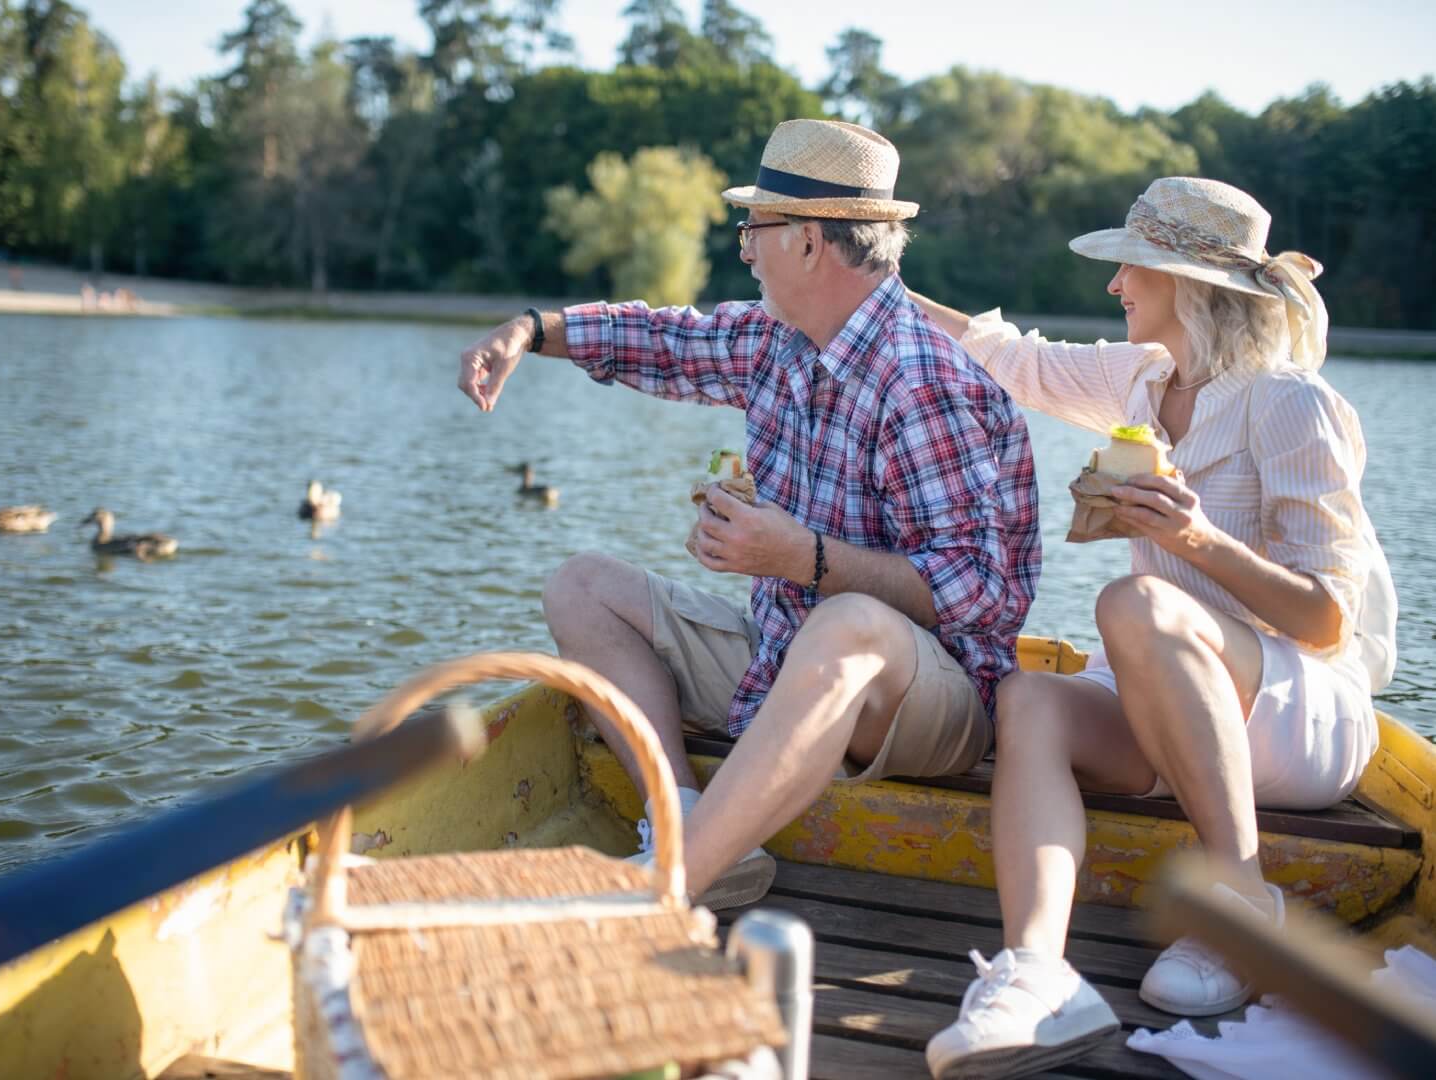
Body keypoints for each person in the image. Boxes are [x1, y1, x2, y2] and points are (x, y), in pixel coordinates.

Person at [456, 118, 1041, 911]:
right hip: (785, 656)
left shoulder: (923, 382)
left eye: (752, 229)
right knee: (580, 585)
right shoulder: (777, 339)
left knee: (847, 623)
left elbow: (986, 594)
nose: (742, 247)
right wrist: (530, 331)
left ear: (808, 242)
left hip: (932, 704)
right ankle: (687, 827)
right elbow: (660, 339)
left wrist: (805, 558)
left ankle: (673, 883)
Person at [913, 177, 1398, 1080]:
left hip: (1304, 709)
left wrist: (1194, 538)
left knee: (1131, 603)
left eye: (1129, 266)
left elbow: (1329, 618)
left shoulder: (1291, 404)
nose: (1114, 287)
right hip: (1171, 691)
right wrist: (870, 279)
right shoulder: (1142, 378)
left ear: (1183, 281)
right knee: (1031, 699)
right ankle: (1037, 975)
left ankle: (1242, 900)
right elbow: (1007, 356)